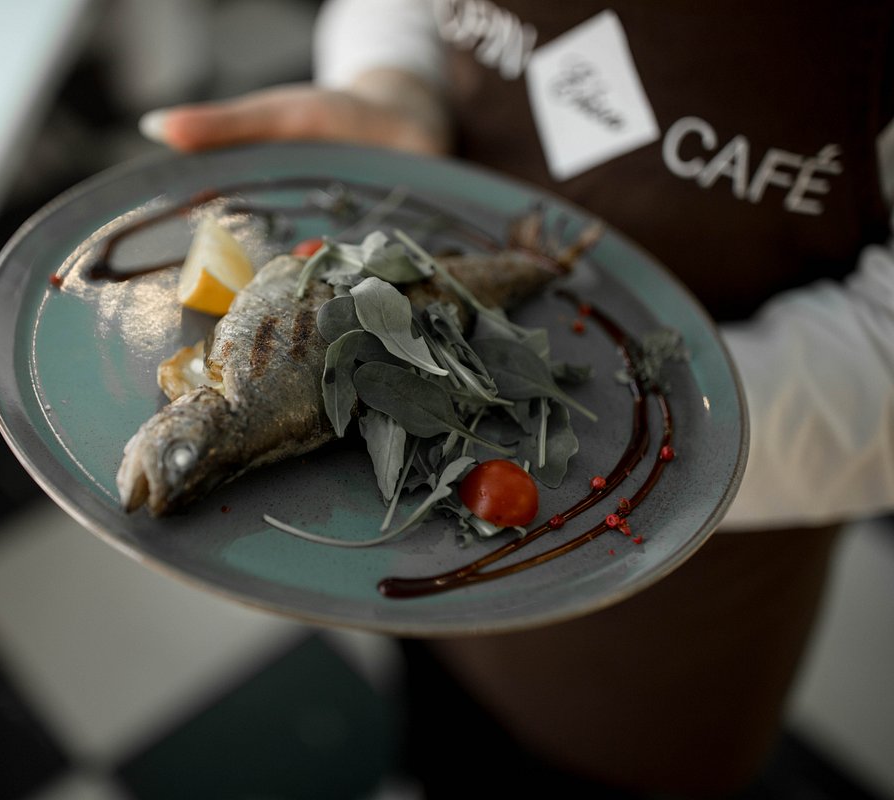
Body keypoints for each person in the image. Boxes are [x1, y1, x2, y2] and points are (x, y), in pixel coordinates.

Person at [139, 1, 894, 795]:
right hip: (417, 531)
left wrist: (607, 409)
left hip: (659, 610)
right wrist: (395, 85)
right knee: (441, 738)